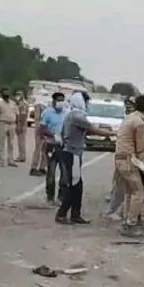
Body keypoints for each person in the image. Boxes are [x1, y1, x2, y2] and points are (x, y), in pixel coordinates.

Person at [55, 92, 115, 224]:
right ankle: (62, 214)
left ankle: (75, 214)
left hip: (72, 152)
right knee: (74, 185)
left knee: (78, 186)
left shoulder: (72, 115)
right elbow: (94, 129)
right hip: (72, 153)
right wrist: (114, 133)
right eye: (86, 102)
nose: (87, 105)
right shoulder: (77, 116)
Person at [115, 95, 144, 237]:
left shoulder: (129, 118)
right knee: (138, 193)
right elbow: (140, 148)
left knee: (130, 192)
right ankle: (131, 224)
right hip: (129, 160)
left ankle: (126, 222)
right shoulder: (139, 122)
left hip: (120, 158)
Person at [40, 92, 68, 204]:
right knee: (51, 173)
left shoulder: (67, 113)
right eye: (58, 100)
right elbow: (42, 129)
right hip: (51, 145)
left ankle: (61, 197)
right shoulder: (47, 113)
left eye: (62, 100)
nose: (60, 103)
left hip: (64, 146)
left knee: (65, 173)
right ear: (53, 101)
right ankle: (50, 197)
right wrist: (53, 135)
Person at [0, 88, 18, 167]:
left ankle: (10, 160)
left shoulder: (13, 103)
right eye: (4, 93)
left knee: (11, 143)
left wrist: (17, 125)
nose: (6, 95)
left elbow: (17, 114)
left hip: (12, 124)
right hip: (2, 123)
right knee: (1, 143)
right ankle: (1, 160)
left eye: (7, 93)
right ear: (2, 95)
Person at [30, 101, 49, 177]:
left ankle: (42, 167)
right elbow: (37, 119)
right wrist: (40, 131)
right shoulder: (39, 105)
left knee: (45, 151)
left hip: (47, 131)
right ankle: (33, 168)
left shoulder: (49, 106)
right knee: (38, 149)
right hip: (40, 131)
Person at [15, 90, 29, 163]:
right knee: (20, 141)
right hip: (19, 123)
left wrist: (20, 125)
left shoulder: (23, 104)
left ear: (23, 95)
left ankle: (22, 156)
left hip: (21, 123)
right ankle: (21, 155)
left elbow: (23, 115)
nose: (17, 96)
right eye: (17, 94)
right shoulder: (19, 103)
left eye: (19, 94)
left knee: (21, 141)